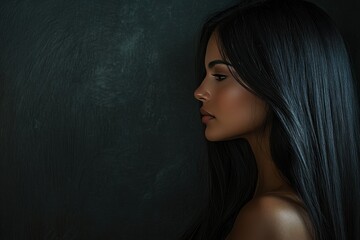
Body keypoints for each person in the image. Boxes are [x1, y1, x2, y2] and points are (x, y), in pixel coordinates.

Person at [179, 0, 360, 239]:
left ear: (279, 82)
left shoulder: (269, 217)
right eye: (206, 75)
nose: (199, 92)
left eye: (220, 76)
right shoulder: (289, 209)